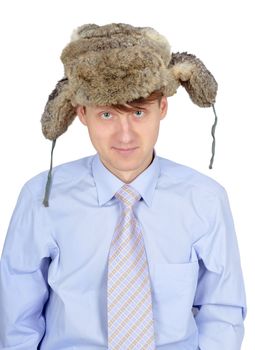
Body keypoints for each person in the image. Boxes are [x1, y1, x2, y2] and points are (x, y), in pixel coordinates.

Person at [0, 23, 246, 350]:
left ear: (163, 108)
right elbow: (16, 317)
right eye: (106, 115)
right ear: (81, 113)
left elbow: (221, 310)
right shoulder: (41, 197)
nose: (125, 135)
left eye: (139, 112)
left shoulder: (205, 199)